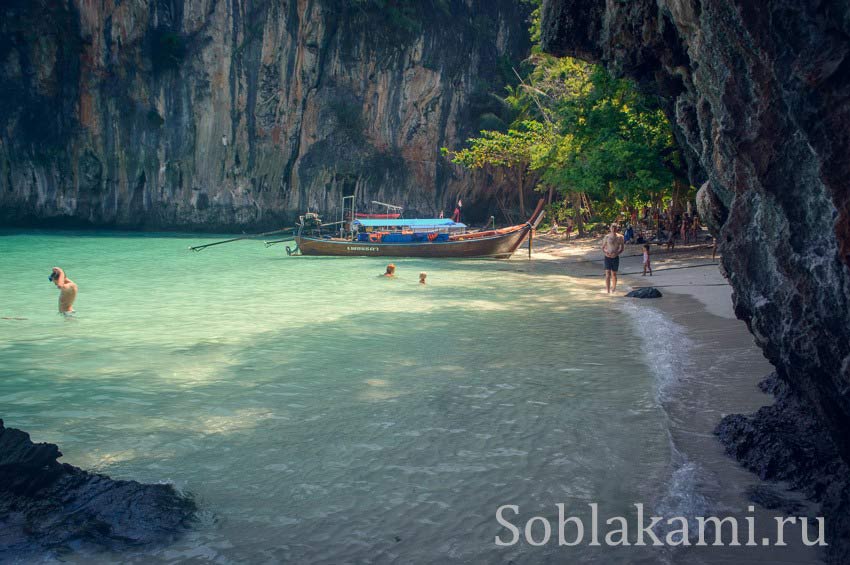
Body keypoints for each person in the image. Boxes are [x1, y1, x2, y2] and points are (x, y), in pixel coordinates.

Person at [601, 223, 625, 294]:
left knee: (614, 274)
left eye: (615, 228)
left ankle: (613, 289)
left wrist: (617, 253)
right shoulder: (607, 237)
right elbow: (603, 248)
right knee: (607, 274)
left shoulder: (620, 237)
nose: (614, 229)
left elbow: (622, 248)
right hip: (607, 257)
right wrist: (606, 253)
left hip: (615, 257)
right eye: (612, 228)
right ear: (610, 228)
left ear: (617, 229)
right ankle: (608, 291)